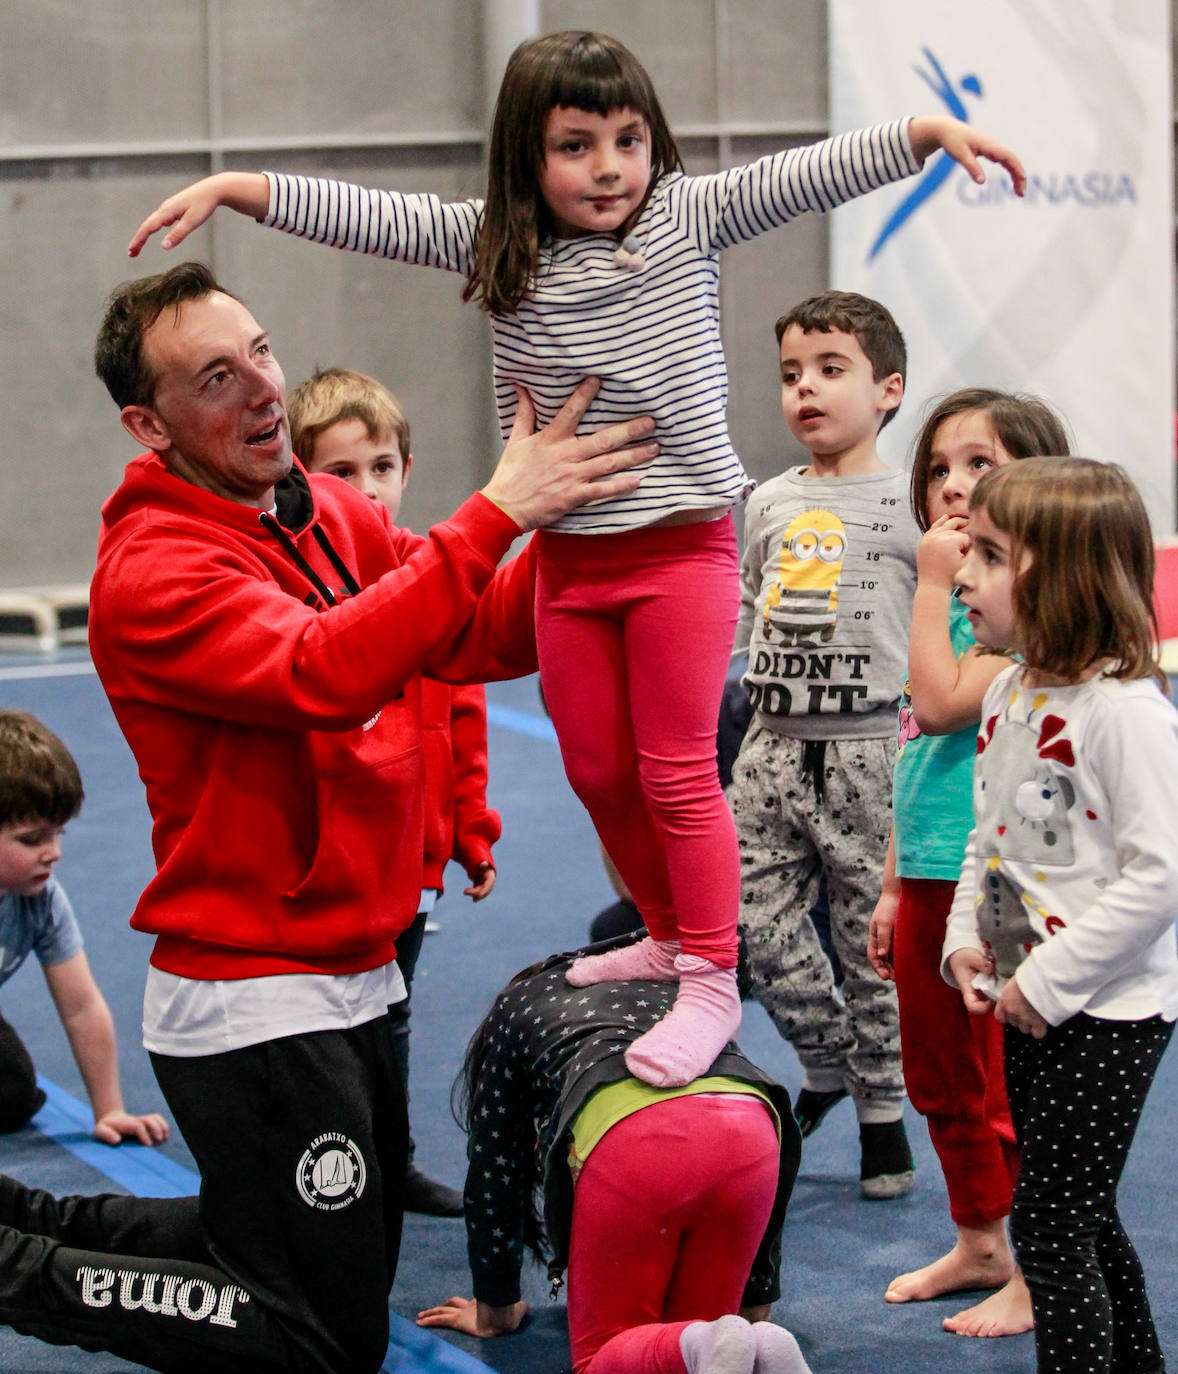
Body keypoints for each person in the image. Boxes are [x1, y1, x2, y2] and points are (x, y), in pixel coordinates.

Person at [126, 29, 1025, 1090]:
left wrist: (920, 133)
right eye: (574, 145)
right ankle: (659, 929)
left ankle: (706, 972)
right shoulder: (491, 247)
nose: (608, 168)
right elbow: (372, 215)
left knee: (676, 771)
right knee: (596, 769)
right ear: (525, 157)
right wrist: (240, 186)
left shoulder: (685, 215)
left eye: (628, 140)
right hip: (568, 555)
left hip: (682, 544)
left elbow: (803, 172)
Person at [0, 260, 654, 1374]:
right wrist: (497, 510)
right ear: (147, 425)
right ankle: (18, 1272)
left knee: (273, 1248)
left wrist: (600, 534)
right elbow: (324, 669)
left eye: (259, 350)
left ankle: (30, 1224)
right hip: (255, 996)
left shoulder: (317, 505)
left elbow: (470, 633)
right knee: (320, 1341)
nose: (262, 389)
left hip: (354, 968)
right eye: (216, 376)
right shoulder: (153, 569)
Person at [943, 457, 1178, 1374]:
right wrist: (968, 937)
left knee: (1046, 1226)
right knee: (1079, 1211)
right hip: (1026, 1002)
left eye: (990, 556)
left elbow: (1159, 878)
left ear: (1065, 577)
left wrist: (1047, 979)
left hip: (1105, 1014)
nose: (964, 574)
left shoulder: (1127, 717)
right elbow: (989, 841)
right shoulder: (1009, 692)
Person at [866, 390, 1071, 1336]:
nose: (952, 487)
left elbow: (944, 703)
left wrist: (928, 584)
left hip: (1001, 878)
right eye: (939, 469)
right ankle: (980, 1236)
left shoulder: (1030, 616)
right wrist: (895, 881)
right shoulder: (952, 599)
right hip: (930, 869)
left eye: (978, 466)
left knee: (1004, 1082)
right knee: (938, 1070)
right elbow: (913, 741)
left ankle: (1039, 1264)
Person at [287, 364, 500, 1218]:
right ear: (301, 480)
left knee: (394, 1014)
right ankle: (331, 1161)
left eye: (382, 468)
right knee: (327, 1021)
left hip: (412, 860)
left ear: (407, 471)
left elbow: (465, 719)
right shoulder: (294, 584)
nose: (368, 492)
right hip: (334, 859)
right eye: (341, 474)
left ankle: (394, 1158)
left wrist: (472, 829)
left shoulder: (432, 574)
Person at [416, 938, 811, 1374]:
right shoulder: (659, 975)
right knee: (698, 1339)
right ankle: (762, 1347)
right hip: (753, 1124)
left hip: (637, 1139)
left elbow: (497, 1171)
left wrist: (496, 1307)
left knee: (601, 1356)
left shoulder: (516, 1008)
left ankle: (710, 1340)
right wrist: (756, 1300)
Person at [730, 290, 917, 1199]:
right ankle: (826, 1063)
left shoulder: (915, 509)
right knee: (751, 923)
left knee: (868, 947)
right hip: (770, 747)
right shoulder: (767, 500)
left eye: (830, 371)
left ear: (887, 389)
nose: (806, 390)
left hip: (870, 753)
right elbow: (749, 606)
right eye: (791, 375)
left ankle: (884, 1119)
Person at [0, 710, 169, 1147]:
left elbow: (81, 1007)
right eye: (32, 840)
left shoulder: (41, 901)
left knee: (15, 1095)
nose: (52, 853)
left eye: (57, 835)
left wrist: (109, 1108)